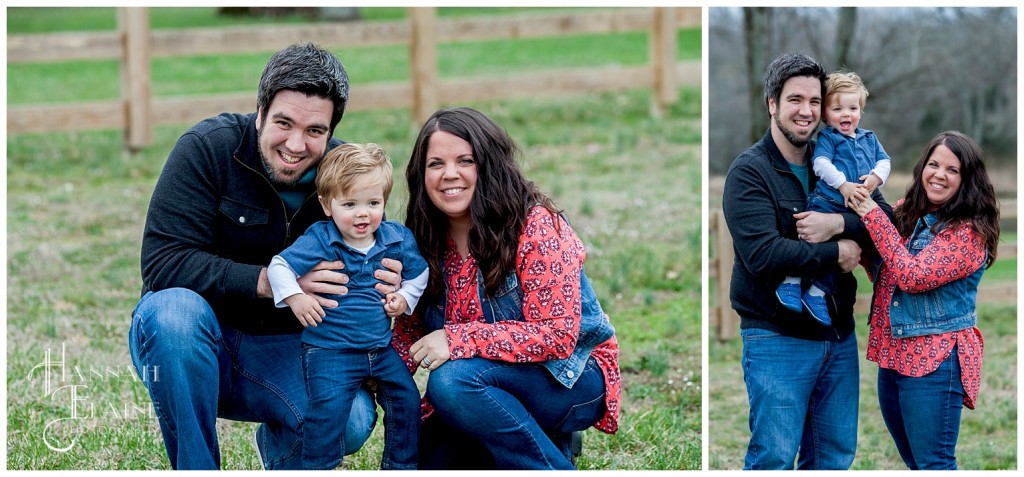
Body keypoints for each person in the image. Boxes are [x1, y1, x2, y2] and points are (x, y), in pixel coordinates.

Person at [129, 43, 401, 470]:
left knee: (351, 418)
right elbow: (163, 262)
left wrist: (388, 284)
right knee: (172, 313)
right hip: (197, 340)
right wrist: (277, 282)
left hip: (284, 349)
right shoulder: (208, 149)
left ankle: (280, 454)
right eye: (283, 123)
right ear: (260, 111)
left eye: (314, 130)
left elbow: (376, 268)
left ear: (331, 131)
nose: (295, 144)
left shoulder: (347, 179)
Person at [392, 106, 621, 470]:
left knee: (451, 382)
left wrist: (456, 339)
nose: (449, 174)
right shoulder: (421, 242)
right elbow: (407, 334)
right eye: (436, 164)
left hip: (570, 376)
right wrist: (368, 372)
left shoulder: (535, 226)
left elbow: (557, 335)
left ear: (488, 164)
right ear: (421, 175)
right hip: (485, 382)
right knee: (425, 455)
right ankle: (538, 440)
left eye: (465, 160)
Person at [721, 52, 894, 470]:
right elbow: (764, 256)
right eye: (795, 99)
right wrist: (839, 252)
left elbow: (885, 221)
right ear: (772, 104)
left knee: (833, 457)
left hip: (838, 336)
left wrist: (837, 224)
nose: (806, 111)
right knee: (774, 458)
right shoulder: (750, 173)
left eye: (815, 101)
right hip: (776, 338)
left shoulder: (841, 160)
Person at [268, 143, 428, 469]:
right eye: (350, 204)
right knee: (328, 412)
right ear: (327, 205)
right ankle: (316, 467)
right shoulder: (322, 239)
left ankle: (401, 466)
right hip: (330, 350)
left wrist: (405, 298)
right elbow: (279, 267)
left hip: (380, 350)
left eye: (373, 203)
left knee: (407, 401)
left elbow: (419, 273)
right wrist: (296, 296)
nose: (362, 213)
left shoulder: (395, 238)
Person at [849, 131, 999, 470]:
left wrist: (872, 215)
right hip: (894, 357)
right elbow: (887, 271)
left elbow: (913, 276)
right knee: (915, 462)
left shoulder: (968, 232)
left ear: (967, 179)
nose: (939, 175)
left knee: (934, 464)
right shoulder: (907, 212)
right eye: (933, 164)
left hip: (935, 361)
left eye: (952, 170)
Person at [776, 71, 892, 325]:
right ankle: (791, 282)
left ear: (860, 111)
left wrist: (875, 178)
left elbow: (885, 161)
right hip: (827, 202)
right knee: (809, 239)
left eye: (852, 107)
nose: (846, 114)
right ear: (826, 115)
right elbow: (820, 163)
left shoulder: (869, 139)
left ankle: (816, 294)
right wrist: (843, 185)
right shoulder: (829, 138)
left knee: (843, 255)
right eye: (837, 108)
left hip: (854, 209)